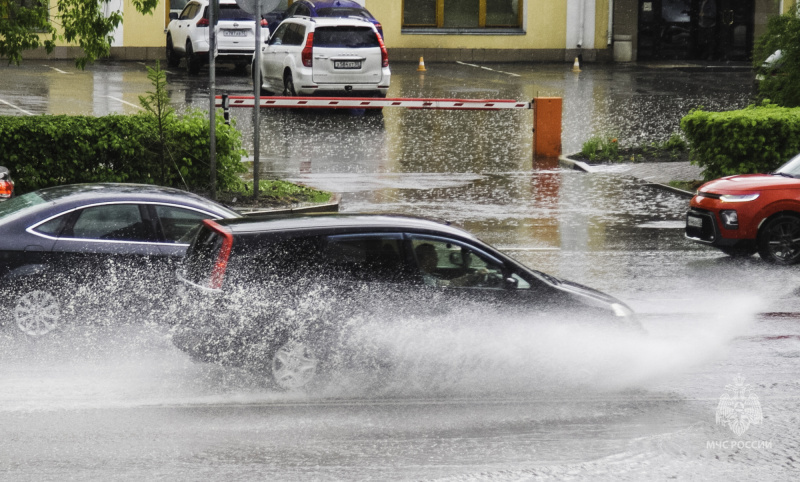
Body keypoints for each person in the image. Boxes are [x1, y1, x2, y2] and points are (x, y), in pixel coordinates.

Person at [414, 243, 490, 288]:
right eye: (435, 257)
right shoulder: (424, 279)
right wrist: (474, 276)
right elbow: (450, 284)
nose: (437, 260)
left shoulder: (421, 275)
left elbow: (448, 283)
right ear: (426, 260)